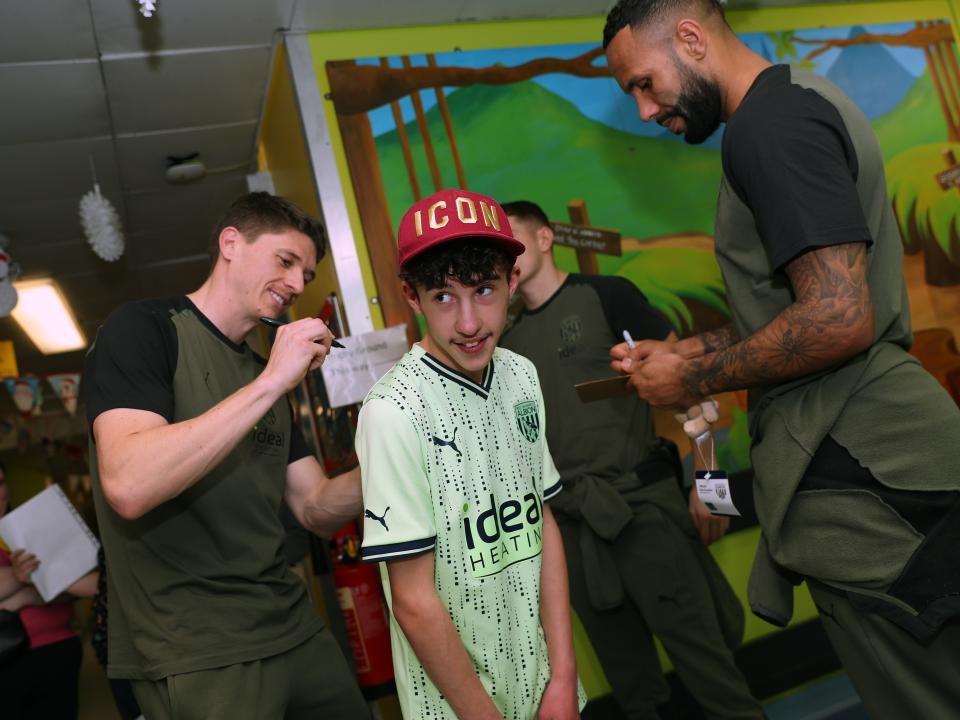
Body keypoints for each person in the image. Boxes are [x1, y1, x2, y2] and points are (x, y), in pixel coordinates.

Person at [603, 1, 960, 717]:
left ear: (692, 38)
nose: (645, 111)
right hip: (883, 453)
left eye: (644, 83)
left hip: (867, 467)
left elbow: (837, 318)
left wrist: (690, 376)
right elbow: (796, 310)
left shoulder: (768, 128)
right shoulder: (803, 100)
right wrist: (690, 347)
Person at [83, 192, 368, 720]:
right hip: (196, 648)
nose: (298, 284)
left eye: (307, 273)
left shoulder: (264, 372)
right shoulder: (146, 330)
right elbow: (128, 484)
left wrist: (392, 460)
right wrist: (273, 382)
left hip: (291, 626)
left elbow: (315, 507)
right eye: (285, 261)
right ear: (231, 244)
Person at [500, 201, 761, 720]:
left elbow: (693, 387)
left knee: (713, 672)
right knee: (634, 694)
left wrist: (712, 489)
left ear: (547, 238)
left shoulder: (608, 297)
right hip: (573, 529)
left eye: (513, 242)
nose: (504, 256)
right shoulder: (503, 341)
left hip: (641, 507)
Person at [356, 189, 584, 720]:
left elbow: (541, 521)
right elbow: (412, 600)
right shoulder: (392, 411)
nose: (468, 322)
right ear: (412, 297)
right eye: (442, 296)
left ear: (513, 280)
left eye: (484, 290)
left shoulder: (522, 374)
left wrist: (564, 676)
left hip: (547, 690)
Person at [0, 464, 98, 720]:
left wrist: (19, 595)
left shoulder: (27, 527)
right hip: (7, 658)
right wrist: (33, 579)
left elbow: (85, 584)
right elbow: (66, 581)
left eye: (0, 483)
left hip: (59, 649)